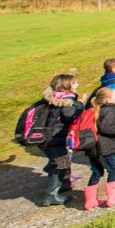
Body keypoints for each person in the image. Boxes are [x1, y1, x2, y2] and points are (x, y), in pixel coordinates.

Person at [38, 74, 84, 206]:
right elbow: (69, 115)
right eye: (74, 83)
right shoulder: (67, 100)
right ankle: (51, 195)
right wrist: (79, 105)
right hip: (55, 138)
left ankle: (60, 181)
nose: (77, 85)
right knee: (61, 163)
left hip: (45, 136)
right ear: (66, 85)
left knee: (60, 161)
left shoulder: (52, 97)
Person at [86, 87, 115, 210]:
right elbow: (107, 129)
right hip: (104, 146)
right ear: (108, 99)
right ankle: (112, 198)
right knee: (113, 169)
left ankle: (90, 201)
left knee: (97, 171)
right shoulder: (109, 110)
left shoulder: (94, 109)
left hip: (91, 146)